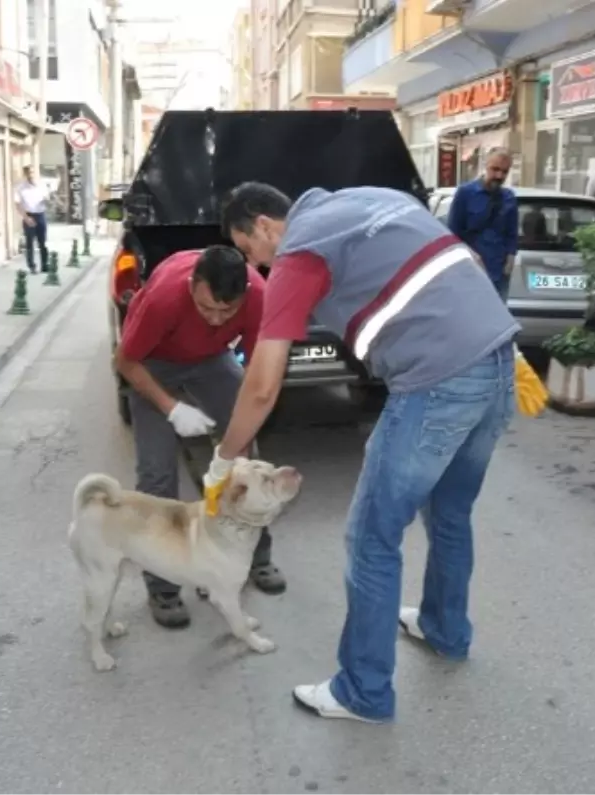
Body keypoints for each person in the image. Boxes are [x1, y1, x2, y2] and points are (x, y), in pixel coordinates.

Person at [207, 181, 518, 723]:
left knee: (372, 538)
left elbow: (261, 385)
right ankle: (445, 629)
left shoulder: (299, 252)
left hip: (436, 382)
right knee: (450, 514)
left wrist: (224, 457)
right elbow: (459, 259)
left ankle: (364, 691)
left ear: (262, 225)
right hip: (498, 362)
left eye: (248, 250)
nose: (253, 265)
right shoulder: (373, 198)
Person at [114, 245, 286, 628]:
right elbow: (124, 360)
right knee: (156, 475)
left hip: (211, 361)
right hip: (152, 362)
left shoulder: (257, 294)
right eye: (206, 308)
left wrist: (232, 448)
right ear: (193, 285)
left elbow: (260, 371)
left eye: (227, 312)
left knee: (246, 460)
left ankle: (254, 555)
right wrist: (170, 408)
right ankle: (163, 585)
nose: (215, 318)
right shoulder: (164, 298)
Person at [446, 148, 518, 298]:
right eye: (495, 169)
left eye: (505, 172)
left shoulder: (509, 198)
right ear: (485, 165)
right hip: (470, 271)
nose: (499, 175)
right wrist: (470, 255)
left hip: (498, 273)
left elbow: (512, 233)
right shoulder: (465, 193)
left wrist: (510, 258)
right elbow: (453, 233)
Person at [14, 165, 49, 273]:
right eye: (29, 173)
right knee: (30, 243)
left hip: (40, 214)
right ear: (25, 174)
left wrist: (47, 200)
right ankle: (32, 266)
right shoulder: (20, 188)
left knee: (42, 242)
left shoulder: (41, 186)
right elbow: (18, 204)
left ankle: (45, 265)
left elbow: (47, 199)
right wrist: (26, 217)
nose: (31, 175)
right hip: (29, 215)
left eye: (33, 172)